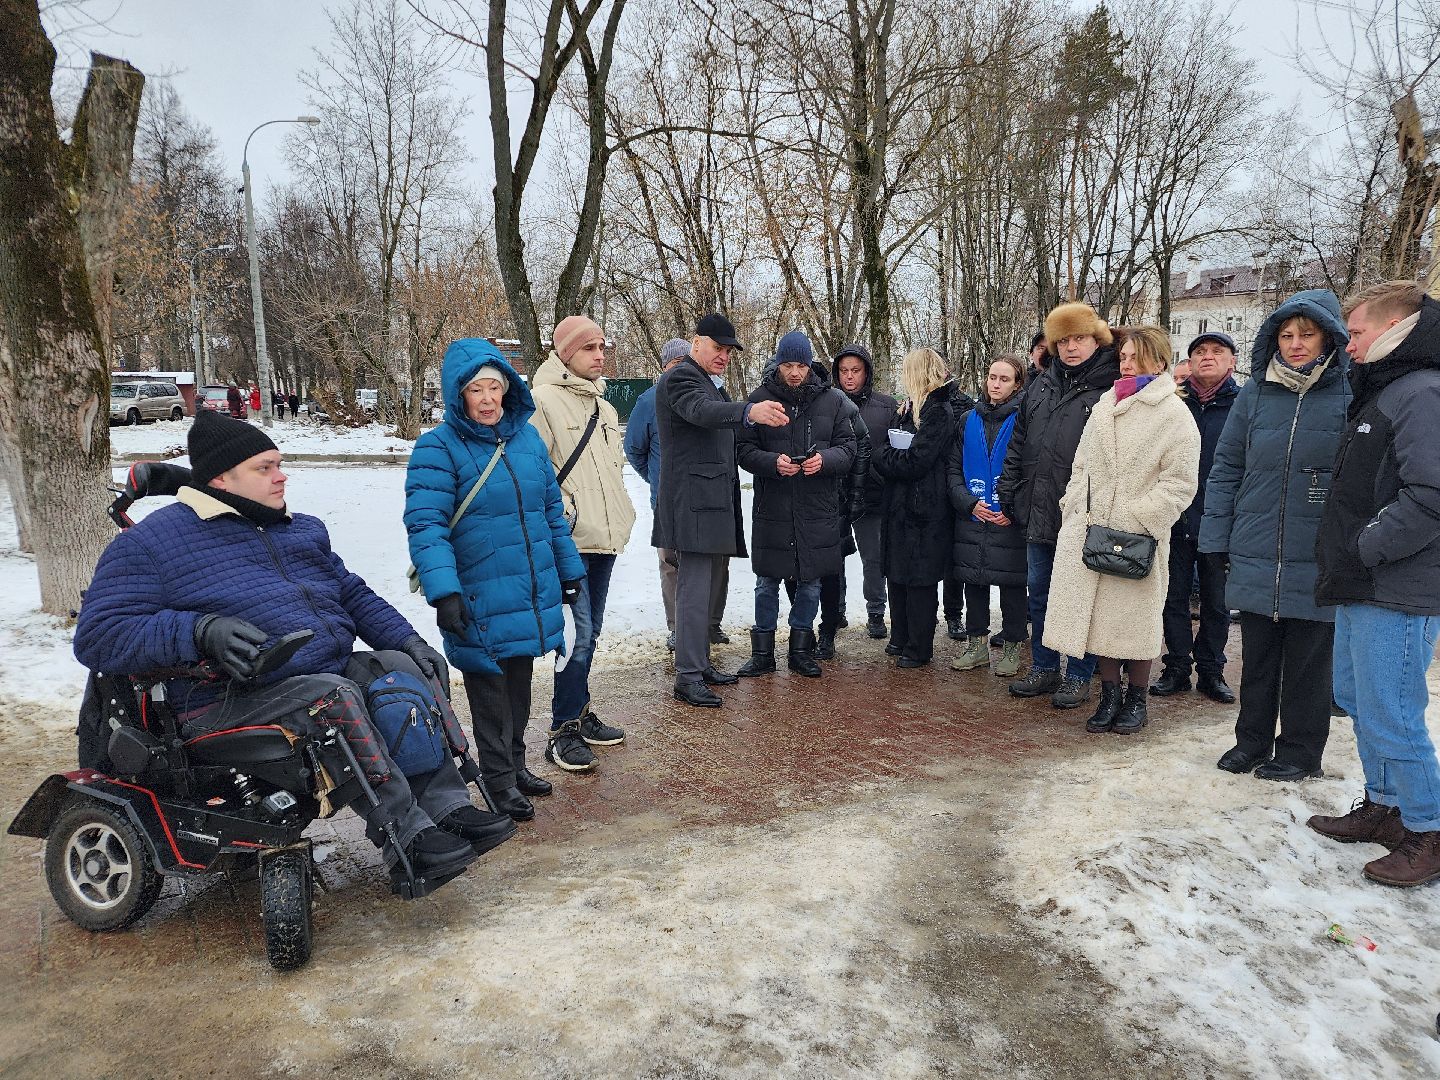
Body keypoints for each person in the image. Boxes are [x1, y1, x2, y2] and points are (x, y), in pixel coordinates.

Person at [73, 410, 513, 895]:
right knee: (332, 697)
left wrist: (405, 639)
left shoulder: (297, 528)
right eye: (264, 467)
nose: (281, 475)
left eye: (278, 463)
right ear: (221, 477)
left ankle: (447, 809)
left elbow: (349, 592)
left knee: (397, 673)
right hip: (225, 698)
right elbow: (98, 635)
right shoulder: (154, 543)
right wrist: (199, 631)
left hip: (318, 669)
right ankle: (406, 839)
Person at [405, 340, 586, 823]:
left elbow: (550, 513)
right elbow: (426, 524)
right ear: (457, 395)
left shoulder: (527, 441)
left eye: (494, 388)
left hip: (528, 591)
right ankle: (497, 778)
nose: (486, 399)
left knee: (520, 688)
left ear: (508, 390)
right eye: (474, 389)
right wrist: (445, 592)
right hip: (478, 593)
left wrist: (569, 573)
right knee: (490, 693)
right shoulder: (437, 448)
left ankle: (515, 765)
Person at [1309, 280, 1440, 885]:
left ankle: (1428, 830)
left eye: (1357, 332)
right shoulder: (1387, 391)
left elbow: (1430, 496)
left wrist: (1364, 549)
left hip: (1397, 587)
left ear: (1396, 328)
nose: (1349, 344)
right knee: (1362, 701)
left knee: (1394, 712)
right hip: (1363, 585)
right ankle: (1386, 807)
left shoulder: (1424, 393)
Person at [1201, 289, 1350, 781]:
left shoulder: (1350, 392)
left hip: (1318, 549)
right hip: (1257, 542)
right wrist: (1216, 537)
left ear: (1329, 335)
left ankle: (1301, 752)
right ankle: (1251, 743)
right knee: (1259, 654)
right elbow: (1226, 468)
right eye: (1286, 335)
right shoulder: (1257, 393)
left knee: (1309, 660)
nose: (1296, 344)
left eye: (1306, 334)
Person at [1045, 326, 1199, 734]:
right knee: (1099, 620)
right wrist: (1074, 505)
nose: (1126, 363)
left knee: (1135, 621)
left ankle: (1137, 699)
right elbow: (1081, 465)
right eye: (1124, 357)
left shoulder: (1174, 413)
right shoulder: (1105, 404)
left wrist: (1139, 516)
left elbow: (1181, 483)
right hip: (1091, 529)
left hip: (1137, 536)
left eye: (1135, 357)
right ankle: (1109, 694)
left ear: (1160, 361)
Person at [653, 313, 789, 707]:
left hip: (711, 503)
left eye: (729, 350)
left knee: (708, 589)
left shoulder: (709, 383)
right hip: (692, 505)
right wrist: (748, 411)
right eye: (718, 347)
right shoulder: (680, 378)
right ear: (696, 342)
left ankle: (699, 662)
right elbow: (700, 412)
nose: (724, 355)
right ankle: (688, 676)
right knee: (694, 592)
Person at [998, 303, 1122, 708]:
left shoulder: (1111, 384)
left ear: (1096, 339)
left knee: (1080, 596)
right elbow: (1019, 440)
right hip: (1037, 505)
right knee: (1041, 594)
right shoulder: (1041, 383)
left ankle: (1080, 673)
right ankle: (1046, 666)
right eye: (1063, 340)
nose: (1071, 347)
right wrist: (1009, 489)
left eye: (1079, 338)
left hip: (1084, 512)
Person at [527, 315, 636, 772]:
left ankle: (579, 709)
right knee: (577, 637)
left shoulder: (605, 408)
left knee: (591, 633)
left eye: (602, 347)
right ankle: (562, 729)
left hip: (603, 538)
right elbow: (535, 476)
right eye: (590, 348)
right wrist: (562, 523)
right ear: (565, 352)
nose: (599, 355)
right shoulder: (542, 401)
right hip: (568, 541)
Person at [735, 332, 856, 678]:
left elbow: (849, 448)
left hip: (817, 506)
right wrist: (773, 462)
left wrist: (825, 460)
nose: (794, 372)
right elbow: (743, 450)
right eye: (787, 365)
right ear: (778, 363)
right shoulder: (759, 400)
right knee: (767, 581)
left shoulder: (832, 401)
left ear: (809, 365)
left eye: (800, 365)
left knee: (811, 581)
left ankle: (801, 650)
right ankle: (763, 654)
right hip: (773, 506)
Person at [1152, 331, 1241, 703]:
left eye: (1217, 351)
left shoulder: (1243, 404)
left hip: (1221, 518)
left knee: (1216, 601)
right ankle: (1176, 667)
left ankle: (1211, 670)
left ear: (1232, 361)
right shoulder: (1173, 402)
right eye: (1199, 351)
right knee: (1171, 597)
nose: (1207, 357)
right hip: (1175, 517)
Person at [624, 338, 729, 652]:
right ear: (664, 368)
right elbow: (634, 450)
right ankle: (678, 629)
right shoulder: (649, 401)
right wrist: (659, 480)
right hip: (669, 500)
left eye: (687, 363)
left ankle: (710, 624)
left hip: (708, 499)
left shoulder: (712, 394)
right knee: (672, 564)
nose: (682, 371)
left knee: (716, 562)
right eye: (675, 365)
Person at [872, 348, 958, 668]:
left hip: (925, 508)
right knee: (897, 574)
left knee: (920, 580)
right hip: (900, 506)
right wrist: (888, 458)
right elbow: (884, 450)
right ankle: (901, 636)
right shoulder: (908, 409)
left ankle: (919, 646)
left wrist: (887, 459)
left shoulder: (938, 412)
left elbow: (915, 461)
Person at [945, 355, 1029, 678]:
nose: (995, 384)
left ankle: (1012, 647)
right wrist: (967, 503)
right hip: (974, 516)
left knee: (1011, 586)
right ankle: (976, 646)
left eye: (1004, 379)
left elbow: (1029, 470)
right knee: (973, 582)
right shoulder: (968, 419)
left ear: (1018, 384)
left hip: (1008, 519)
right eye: (992, 377)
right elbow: (953, 469)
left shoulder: (1025, 419)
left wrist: (1013, 510)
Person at [834, 344, 898, 639]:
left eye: (855, 371)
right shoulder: (828, 403)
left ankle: (876, 611)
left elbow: (894, 448)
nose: (849, 377)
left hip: (873, 495)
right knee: (833, 556)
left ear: (866, 373)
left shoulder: (886, 406)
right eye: (844, 371)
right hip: (833, 494)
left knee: (873, 557)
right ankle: (836, 609)